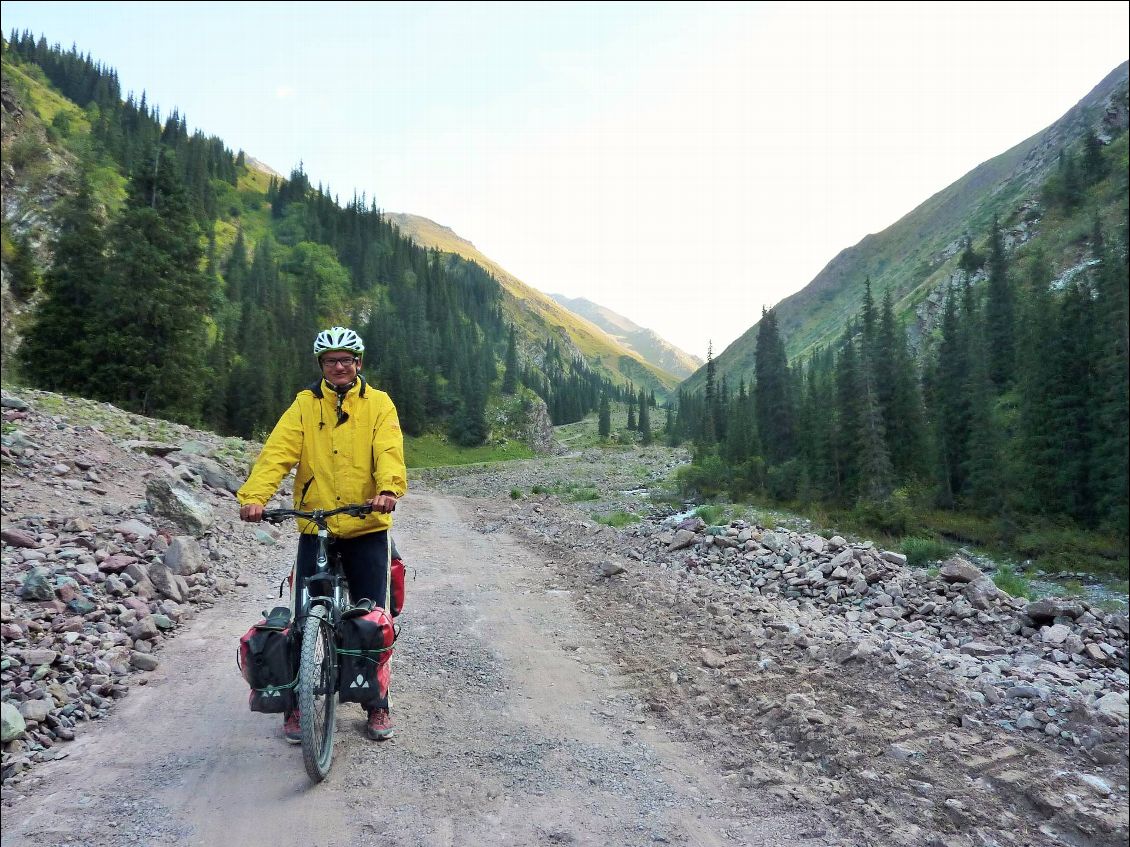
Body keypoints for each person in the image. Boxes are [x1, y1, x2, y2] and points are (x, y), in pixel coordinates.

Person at [237, 326, 407, 742]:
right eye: (330, 361)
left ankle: (376, 703)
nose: (339, 366)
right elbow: (278, 451)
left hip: (366, 524)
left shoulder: (379, 404)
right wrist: (255, 496)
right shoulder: (304, 405)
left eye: (346, 359)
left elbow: (388, 449)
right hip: (317, 523)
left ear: (358, 363)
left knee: (372, 618)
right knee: (301, 617)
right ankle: (297, 704)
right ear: (321, 366)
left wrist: (387, 489)